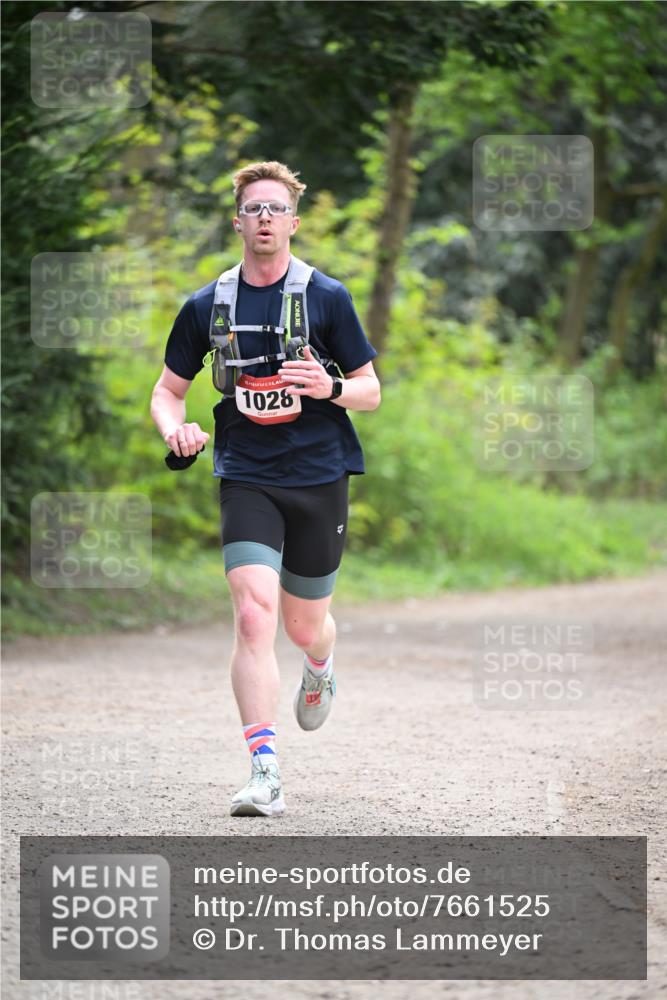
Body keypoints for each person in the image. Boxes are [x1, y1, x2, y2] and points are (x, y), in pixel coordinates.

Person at [150, 160, 380, 817]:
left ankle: (321, 661)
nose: (264, 220)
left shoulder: (326, 297)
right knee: (254, 613)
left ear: (293, 221)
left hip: (319, 474)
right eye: (253, 209)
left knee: (306, 624)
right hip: (246, 473)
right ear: (237, 220)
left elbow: (370, 389)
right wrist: (177, 429)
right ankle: (263, 770)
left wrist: (330, 387)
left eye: (275, 209)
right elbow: (167, 394)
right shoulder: (206, 304)